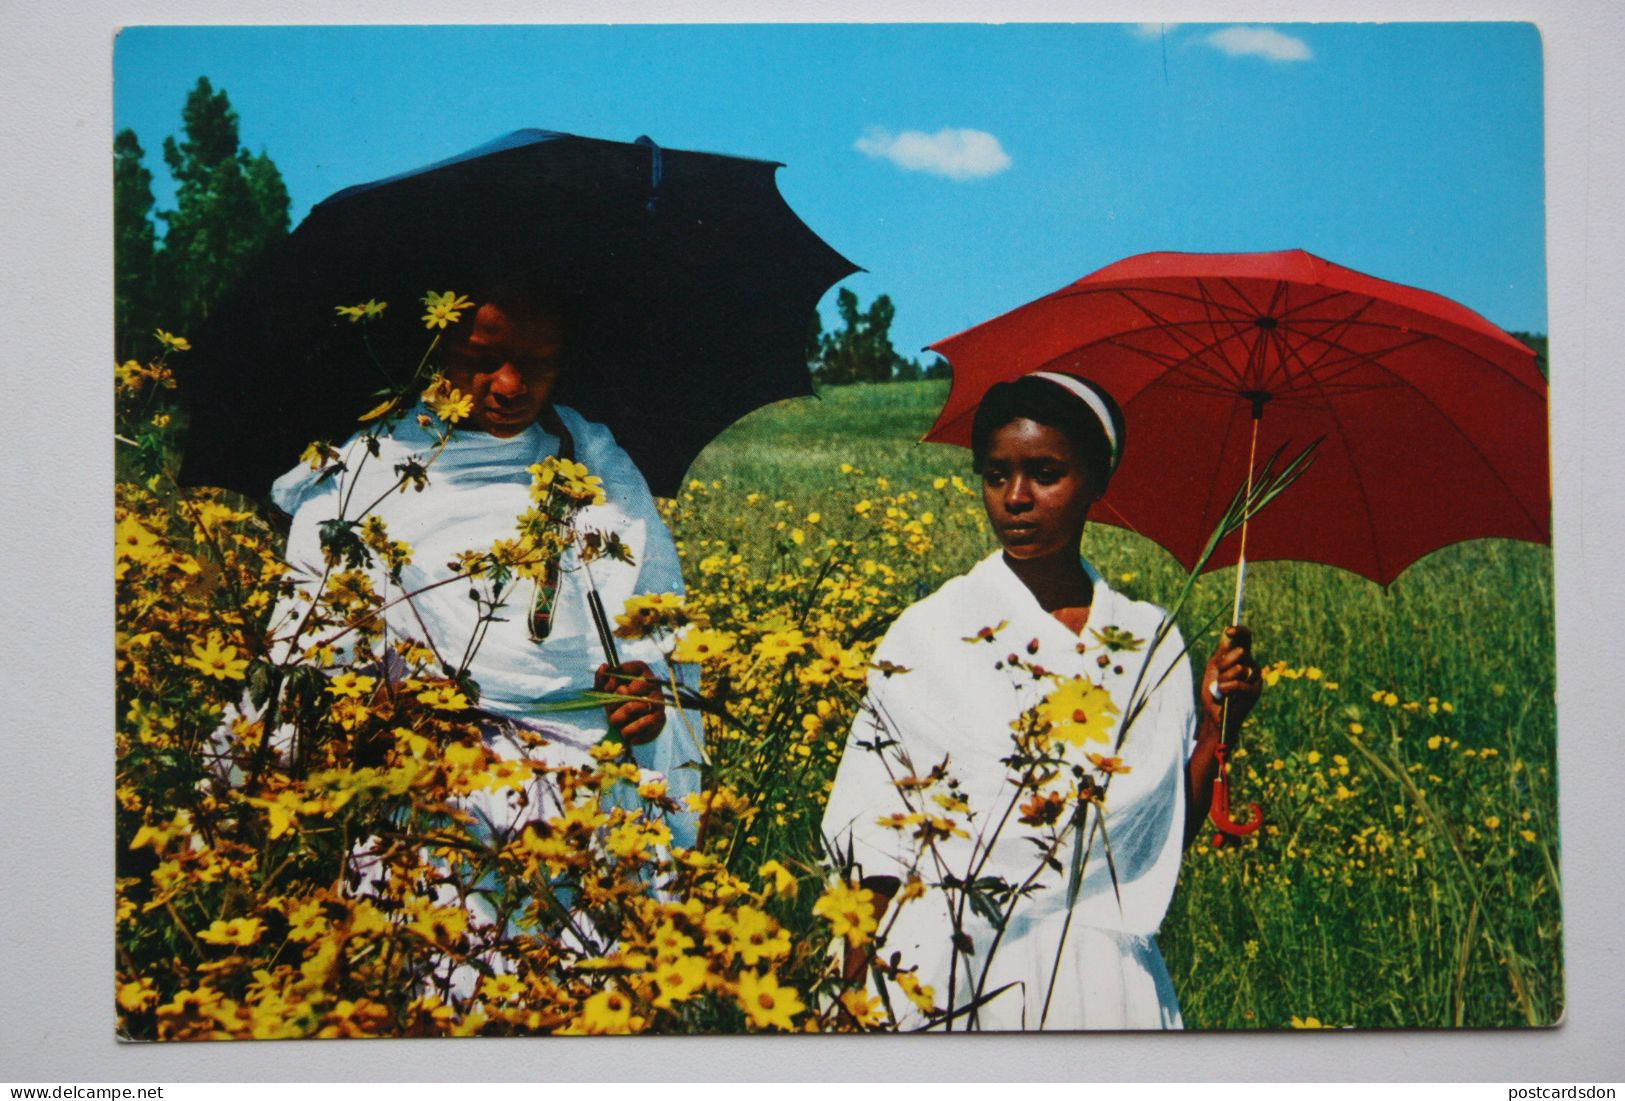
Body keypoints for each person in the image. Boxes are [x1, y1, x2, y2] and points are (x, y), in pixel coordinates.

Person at [820, 370, 1260, 1031]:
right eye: (995, 474)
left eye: (1045, 472)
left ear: (1097, 482)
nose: (1015, 498)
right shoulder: (931, 630)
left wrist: (1213, 732)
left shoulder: (1148, 638)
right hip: (949, 964)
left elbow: (1158, 840)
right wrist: (848, 1005)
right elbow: (873, 831)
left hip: (1105, 981)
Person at [267, 287, 703, 851]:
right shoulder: (368, 472)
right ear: (433, 353)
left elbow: (659, 628)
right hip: (432, 795)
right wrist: (394, 713)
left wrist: (649, 697)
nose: (510, 387)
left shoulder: (592, 457)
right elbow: (313, 657)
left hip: (590, 793)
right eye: (479, 362)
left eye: (538, 363)